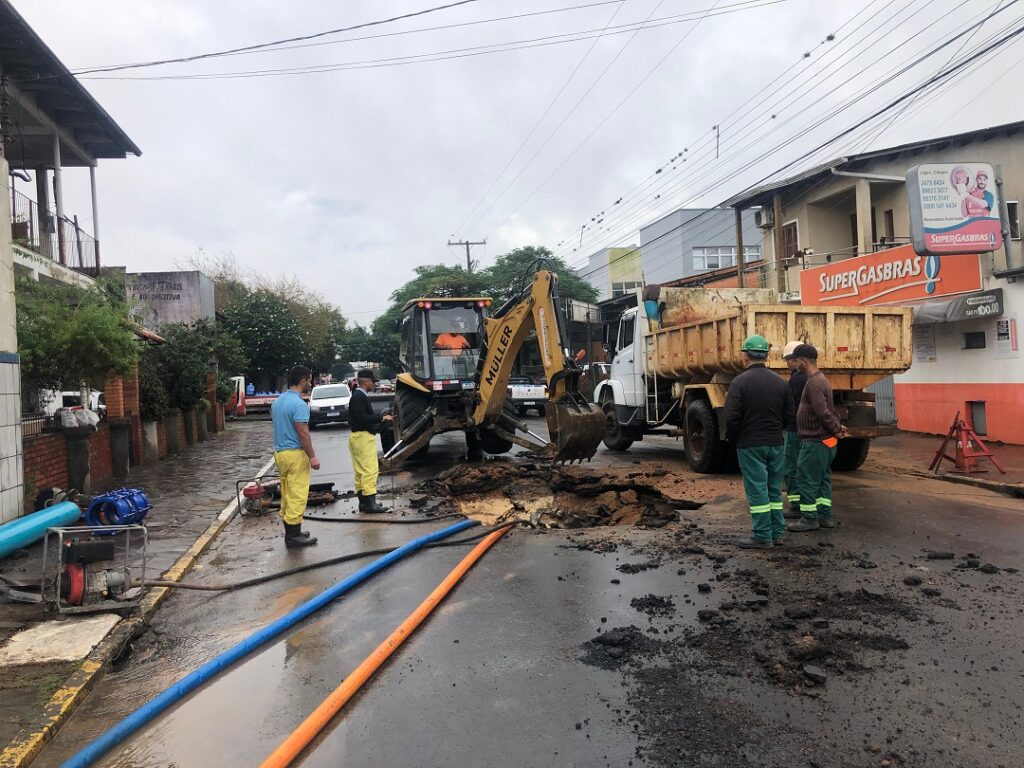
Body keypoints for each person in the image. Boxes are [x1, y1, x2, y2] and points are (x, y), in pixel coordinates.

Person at [723, 335, 794, 549]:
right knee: (774, 489)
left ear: (746, 356)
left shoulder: (739, 383)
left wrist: (735, 436)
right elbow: (790, 415)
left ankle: (762, 536)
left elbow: (731, 417)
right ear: (766, 355)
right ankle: (777, 533)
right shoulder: (781, 383)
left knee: (757, 490)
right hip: (776, 442)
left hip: (751, 443)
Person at [787, 344, 848, 533]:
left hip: (814, 441)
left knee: (806, 479)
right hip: (823, 441)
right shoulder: (821, 380)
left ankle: (809, 518)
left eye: (796, 360)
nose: (794, 363)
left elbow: (822, 412)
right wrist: (836, 428)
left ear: (804, 361)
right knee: (822, 479)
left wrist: (836, 428)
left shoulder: (813, 383)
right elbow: (829, 410)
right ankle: (825, 516)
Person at [271, 365, 319, 548]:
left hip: (281, 454)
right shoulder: (299, 404)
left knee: (287, 494)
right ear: (302, 380)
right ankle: (293, 537)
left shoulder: (278, 402)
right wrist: (312, 456)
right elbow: (303, 433)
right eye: (309, 379)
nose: (310, 383)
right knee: (298, 494)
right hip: (295, 455)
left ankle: (294, 532)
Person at [349, 369, 394, 513]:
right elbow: (362, 418)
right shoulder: (359, 397)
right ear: (367, 381)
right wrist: (381, 418)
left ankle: (364, 503)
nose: (374, 385)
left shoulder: (358, 395)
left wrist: (378, 423)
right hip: (362, 438)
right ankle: (371, 504)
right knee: (370, 471)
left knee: (360, 472)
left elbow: (360, 418)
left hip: (358, 437)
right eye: (373, 382)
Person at [781, 341, 808, 519]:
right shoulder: (809, 377)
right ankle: (808, 506)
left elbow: (793, 405)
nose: (788, 363)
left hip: (794, 429)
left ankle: (797, 505)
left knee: (790, 467)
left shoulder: (797, 379)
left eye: (789, 359)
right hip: (804, 429)